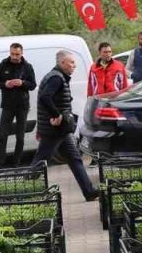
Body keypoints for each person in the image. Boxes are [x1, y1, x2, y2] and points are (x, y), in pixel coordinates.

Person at [35, 51, 99, 202]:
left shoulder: (58, 76)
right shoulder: (56, 78)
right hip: (53, 130)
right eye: (71, 62)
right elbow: (45, 97)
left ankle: (89, 192)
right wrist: (56, 115)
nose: (74, 65)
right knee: (39, 163)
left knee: (75, 158)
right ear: (62, 63)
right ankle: (24, 192)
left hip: (61, 130)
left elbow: (54, 98)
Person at [0, 42, 36, 165]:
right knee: (2, 135)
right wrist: (5, 84)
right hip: (7, 105)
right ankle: (0, 163)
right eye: (12, 54)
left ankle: (16, 162)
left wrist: (22, 83)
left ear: (22, 53)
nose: (14, 57)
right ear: (9, 52)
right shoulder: (3, 65)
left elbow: (33, 85)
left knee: (20, 137)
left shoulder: (27, 66)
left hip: (22, 105)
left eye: (17, 54)